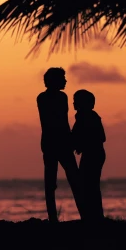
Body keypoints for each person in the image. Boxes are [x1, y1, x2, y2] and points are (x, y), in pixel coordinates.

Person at [37, 67, 84, 222]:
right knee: (55, 182)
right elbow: (58, 122)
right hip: (56, 143)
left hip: (57, 143)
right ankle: (54, 218)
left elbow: (63, 122)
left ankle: (83, 215)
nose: (65, 81)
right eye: (62, 78)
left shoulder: (58, 97)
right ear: (54, 81)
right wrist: (71, 140)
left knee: (72, 180)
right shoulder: (46, 98)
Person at [72, 89, 106, 221]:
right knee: (90, 185)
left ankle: (95, 216)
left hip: (94, 154)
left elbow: (101, 137)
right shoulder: (85, 116)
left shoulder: (88, 117)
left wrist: (82, 143)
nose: (74, 104)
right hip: (93, 153)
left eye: (76, 101)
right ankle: (95, 215)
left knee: (90, 185)